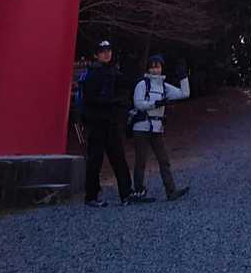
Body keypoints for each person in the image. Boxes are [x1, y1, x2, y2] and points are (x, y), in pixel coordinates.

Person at [80, 40, 141, 207]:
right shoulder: (93, 74)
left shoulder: (112, 71)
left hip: (110, 121)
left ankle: (126, 193)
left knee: (119, 157)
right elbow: (90, 99)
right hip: (97, 122)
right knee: (95, 159)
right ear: (96, 54)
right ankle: (91, 196)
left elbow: (126, 83)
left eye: (108, 50)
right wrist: (112, 102)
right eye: (103, 51)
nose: (107, 53)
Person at [130, 54, 191, 202]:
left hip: (157, 129)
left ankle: (171, 191)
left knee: (164, 160)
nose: (155, 70)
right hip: (141, 127)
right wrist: (155, 104)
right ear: (148, 69)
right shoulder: (142, 85)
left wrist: (183, 77)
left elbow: (184, 93)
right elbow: (138, 103)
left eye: (157, 67)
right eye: (152, 67)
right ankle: (138, 192)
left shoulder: (164, 86)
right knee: (141, 161)